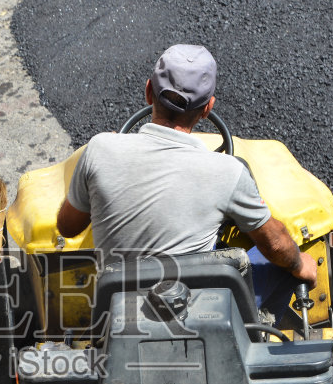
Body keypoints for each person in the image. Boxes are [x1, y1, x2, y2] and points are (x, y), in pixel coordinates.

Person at [55, 44, 318, 289]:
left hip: (115, 315)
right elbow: (274, 244)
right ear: (207, 109)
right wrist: (298, 264)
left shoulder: (100, 149)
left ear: (148, 92)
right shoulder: (228, 172)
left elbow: (67, 228)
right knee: (279, 266)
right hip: (192, 317)